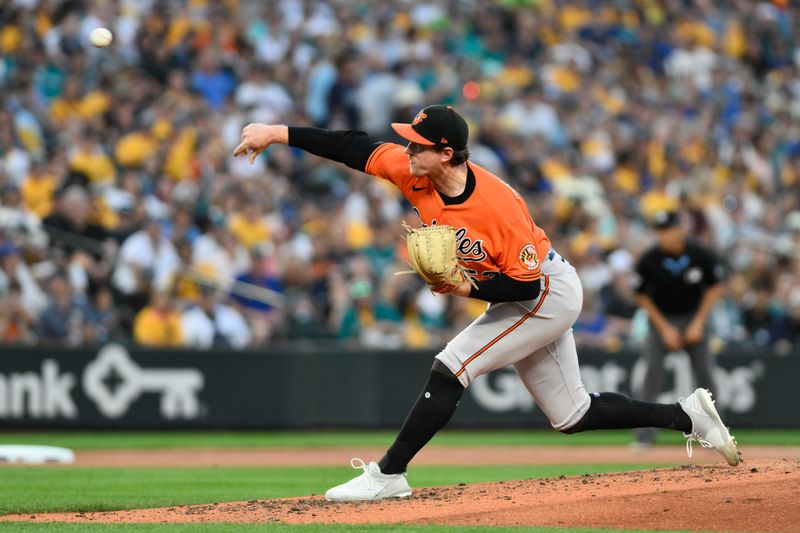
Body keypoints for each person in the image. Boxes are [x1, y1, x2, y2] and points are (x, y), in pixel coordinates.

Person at [234, 104, 740, 503]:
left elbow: (523, 287)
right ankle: (688, 415)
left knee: (453, 364)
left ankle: (388, 473)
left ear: (448, 153)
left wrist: (462, 289)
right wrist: (276, 132)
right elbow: (351, 146)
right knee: (571, 414)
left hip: (546, 291)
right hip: (528, 291)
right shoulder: (412, 171)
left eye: (419, 144)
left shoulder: (499, 207)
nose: (407, 149)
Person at [632, 210, 728, 447]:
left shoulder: (700, 253)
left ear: (680, 229)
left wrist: (698, 322)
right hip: (662, 321)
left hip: (693, 317)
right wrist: (664, 328)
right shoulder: (650, 258)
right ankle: (644, 437)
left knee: (706, 375)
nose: (664, 235)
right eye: (660, 231)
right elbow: (641, 295)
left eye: (668, 230)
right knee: (651, 375)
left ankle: (718, 435)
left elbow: (715, 287)